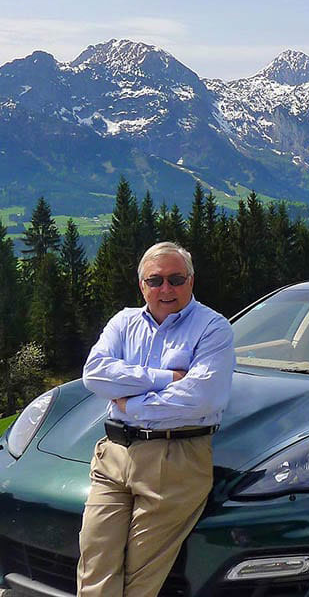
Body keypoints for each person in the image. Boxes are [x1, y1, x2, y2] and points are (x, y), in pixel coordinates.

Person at [77, 242, 235, 597]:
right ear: (142, 285)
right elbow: (95, 374)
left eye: (176, 279)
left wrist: (128, 404)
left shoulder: (213, 328)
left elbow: (202, 396)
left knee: (140, 579)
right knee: (95, 569)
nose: (166, 289)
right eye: (156, 280)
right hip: (113, 456)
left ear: (191, 281)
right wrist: (166, 378)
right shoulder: (123, 322)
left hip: (175, 460)